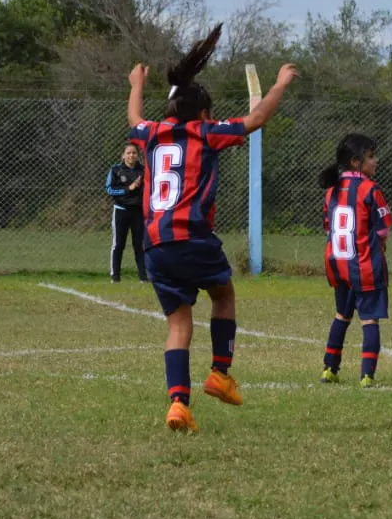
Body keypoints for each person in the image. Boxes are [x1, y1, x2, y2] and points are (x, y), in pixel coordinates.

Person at [126, 24, 298, 432]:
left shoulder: (149, 133)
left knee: (178, 322)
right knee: (223, 294)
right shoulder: (206, 133)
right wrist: (279, 84)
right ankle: (220, 373)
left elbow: (134, 115)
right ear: (204, 114)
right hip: (194, 237)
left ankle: (177, 405)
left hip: (156, 245)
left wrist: (136, 83)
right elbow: (256, 119)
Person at [319, 134, 391, 387]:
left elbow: (328, 227)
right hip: (365, 266)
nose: (376, 161)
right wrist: (379, 244)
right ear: (355, 161)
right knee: (369, 319)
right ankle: (367, 375)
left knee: (341, 315)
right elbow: (382, 229)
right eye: (371, 156)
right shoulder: (371, 189)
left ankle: (330, 368)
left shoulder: (332, 191)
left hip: (338, 265)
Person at [105, 143, 147, 282]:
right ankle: (115, 277)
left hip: (138, 212)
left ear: (137, 155)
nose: (131, 155)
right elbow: (110, 190)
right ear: (123, 155)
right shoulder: (116, 170)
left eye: (134, 153)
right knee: (118, 244)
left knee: (139, 245)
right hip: (121, 212)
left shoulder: (143, 170)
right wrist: (129, 188)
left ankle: (143, 277)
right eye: (128, 153)